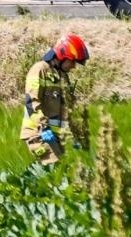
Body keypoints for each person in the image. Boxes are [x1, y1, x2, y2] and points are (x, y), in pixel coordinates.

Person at [20, 34, 89, 165]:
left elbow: (68, 106)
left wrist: (75, 134)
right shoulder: (39, 70)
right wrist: (43, 127)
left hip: (53, 135)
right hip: (38, 133)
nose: (74, 66)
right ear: (62, 56)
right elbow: (31, 101)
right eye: (73, 61)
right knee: (55, 170)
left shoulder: (62, 76)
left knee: (60, 173)